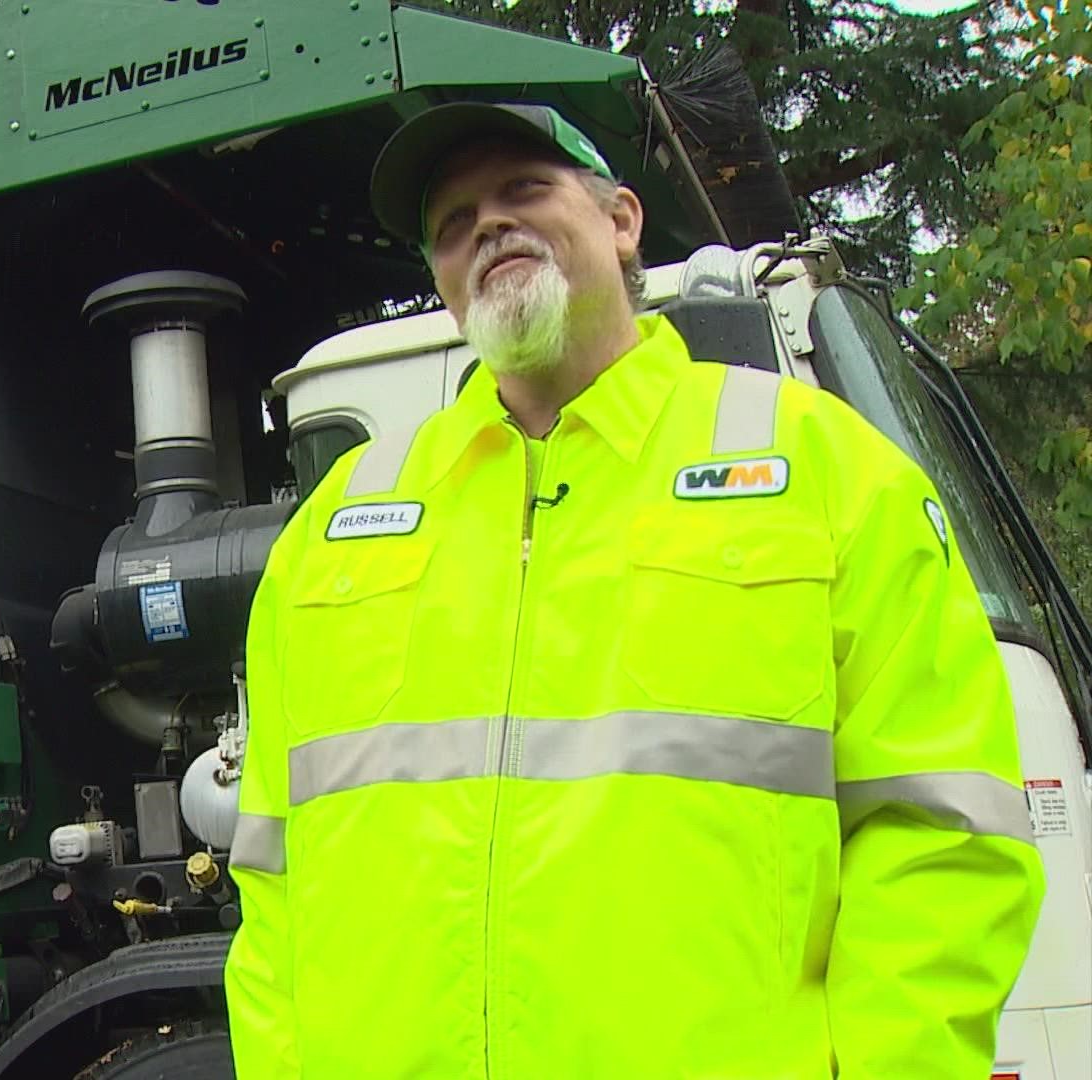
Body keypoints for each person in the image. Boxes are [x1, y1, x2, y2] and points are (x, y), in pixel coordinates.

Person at [223, 101, 1044, 1078]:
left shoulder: (821, 467)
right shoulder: (333, 527)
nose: (485, 224)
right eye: (451, 223)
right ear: (442, 283)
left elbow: (939, 834)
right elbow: (271, 885)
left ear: (621, 221)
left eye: (523, 190)